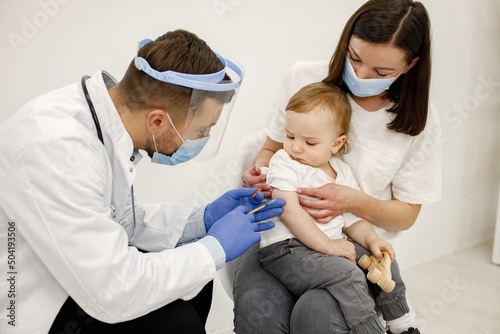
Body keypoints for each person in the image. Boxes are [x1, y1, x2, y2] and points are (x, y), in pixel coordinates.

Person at [0, 29, 284, 334]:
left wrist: (203, 219)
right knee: (177, 323)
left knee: (197, 284)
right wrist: (214, 247)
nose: (204, 139)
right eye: (202, 131)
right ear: (158, 120)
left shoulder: (106, 123)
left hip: (72, 270)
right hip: (31, 305)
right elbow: (112, 290)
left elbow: (118, 219)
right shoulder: (57, 150)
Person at [234, 0, 440, 333]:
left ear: (410, 65)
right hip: (280, 241)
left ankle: (399, 324)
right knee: (258, 308)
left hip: (345, 242)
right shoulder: (304, 78)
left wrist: (352, 204)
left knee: (316, 316)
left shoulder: (417, 120)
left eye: (381, 72)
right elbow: (271, 151)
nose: (360, 75)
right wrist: (260, 172)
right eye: (355, 58)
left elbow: (407, 213)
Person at [259, 82, 416, 334]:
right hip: (287, 250)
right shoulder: (284, 162)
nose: (296, 147)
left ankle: (401, 325)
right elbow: (287, 209)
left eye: (309, 142)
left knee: (383, 260)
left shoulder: (341, 171)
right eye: (290, 136)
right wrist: (327, 246)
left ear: (336, 143)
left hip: (325, 244)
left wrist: (373, 240)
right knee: (348, 275)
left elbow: (352, 219)